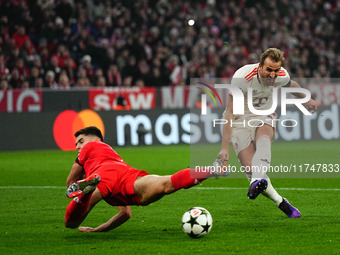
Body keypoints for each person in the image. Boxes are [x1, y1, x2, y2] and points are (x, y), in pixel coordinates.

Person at [215, 48, 319, 218]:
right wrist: (224, 148)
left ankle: (257, 180)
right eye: (269, 70)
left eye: (276, 71)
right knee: (251, 171)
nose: (272, 75)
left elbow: (292, 85)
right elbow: (230, 112)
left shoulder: (280, 75)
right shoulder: (242, 78)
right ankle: (281, 202)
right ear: (260, 66)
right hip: (240, 120)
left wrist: (306, 99)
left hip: (264, 114)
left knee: (264, 136)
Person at [64, 126, 216, 232]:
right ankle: (211, 170)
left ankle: (86, 193)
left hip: (103, 175)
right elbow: (125, 214)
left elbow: (70, 182)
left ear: (95, 139)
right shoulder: (111, 154)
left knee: (71, 223)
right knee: (167, 184)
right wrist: (98, 230)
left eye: (81, 141)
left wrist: (79, 181)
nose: (78, 146)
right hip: (128, 177)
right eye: (76, 143)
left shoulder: (92, 146)